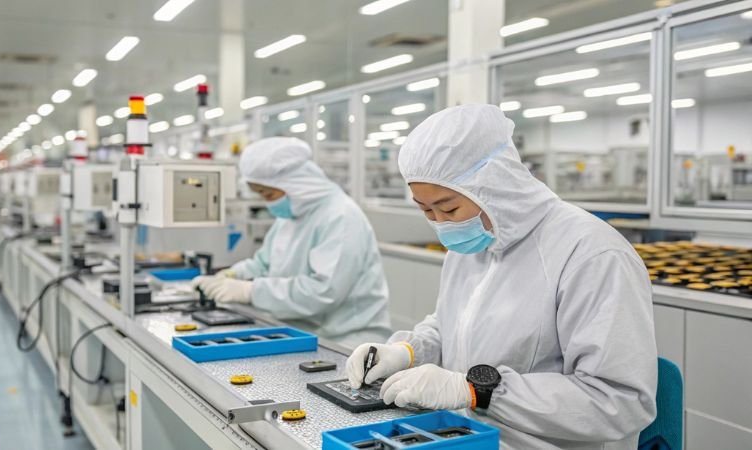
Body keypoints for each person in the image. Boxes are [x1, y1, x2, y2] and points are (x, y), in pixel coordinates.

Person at [346, 105, 657, 449]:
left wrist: (477, 390)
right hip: (467, 436)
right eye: (426, 210)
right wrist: (405, 352)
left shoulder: (591, 254)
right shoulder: (475, 244)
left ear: (493, 185)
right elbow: (451, 327)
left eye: (448, 208)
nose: (440, 223)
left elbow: (618, 402)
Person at [194, 137, 391, 348]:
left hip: (345, 342)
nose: (267, 202)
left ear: (295, 184)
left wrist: (250, 291)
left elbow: (323, 292)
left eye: (268, 193)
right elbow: (263, 263)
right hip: (302, 330)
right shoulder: (291, 215)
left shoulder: (340, 217)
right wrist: (231, 275)